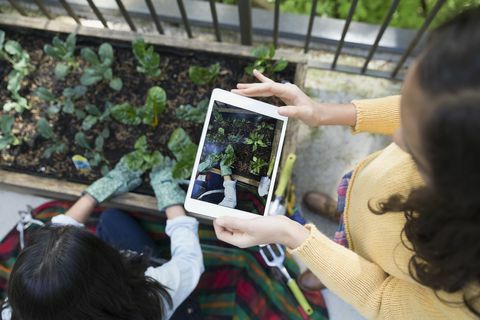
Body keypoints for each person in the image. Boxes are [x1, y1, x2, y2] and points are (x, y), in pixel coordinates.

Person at [213, 8, 480, 319]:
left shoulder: (466, 297)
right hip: (369, 202)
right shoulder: (463, 112)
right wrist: (322, 112)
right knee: (349, 224)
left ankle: (333, 263)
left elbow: (381, 298)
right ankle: (342, 228)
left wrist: (295, 236)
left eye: (420, 155)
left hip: (383, 266)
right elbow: (429, 109)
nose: (396, 138)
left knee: (337, 262)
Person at [2, 156, 204, 320]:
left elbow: (55, 243)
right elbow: (189, 260)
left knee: (111, 219)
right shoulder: (150, 299)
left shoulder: (17, 310)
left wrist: (93, 195)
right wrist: (170, 198)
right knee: (111, 220)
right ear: (110, 269)